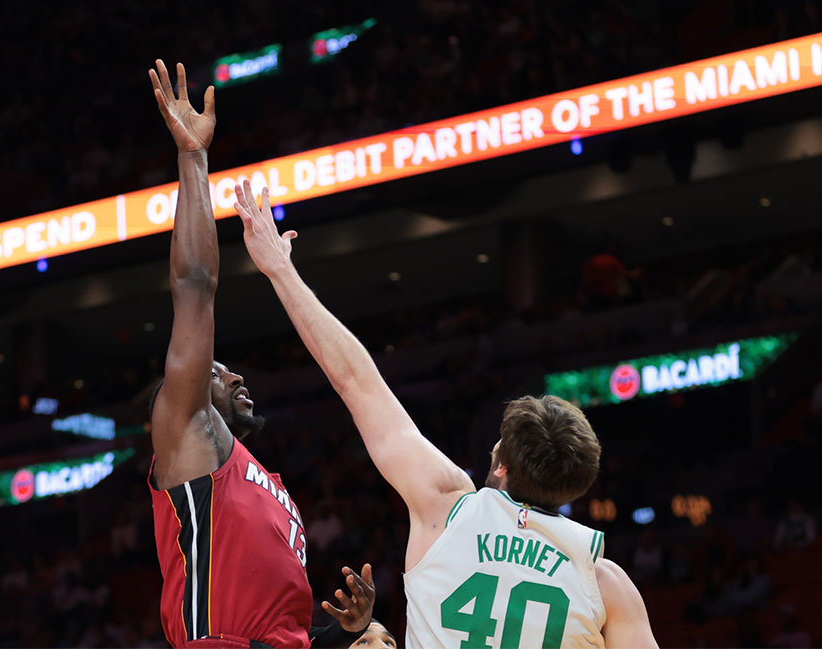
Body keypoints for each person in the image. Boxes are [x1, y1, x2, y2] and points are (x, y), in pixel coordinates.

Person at [232, 181, 659, 648]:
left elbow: (356, 382)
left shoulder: (445, 506)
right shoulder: (606, 582)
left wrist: (280, 271)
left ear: (501, 466)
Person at [143, 60, 373, 649]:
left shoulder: (266, 482)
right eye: (216, 371)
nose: (233, 372)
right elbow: (194, 284)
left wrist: (341, 631)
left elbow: (281, 627)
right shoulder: (188, 431)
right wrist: (194, 159)